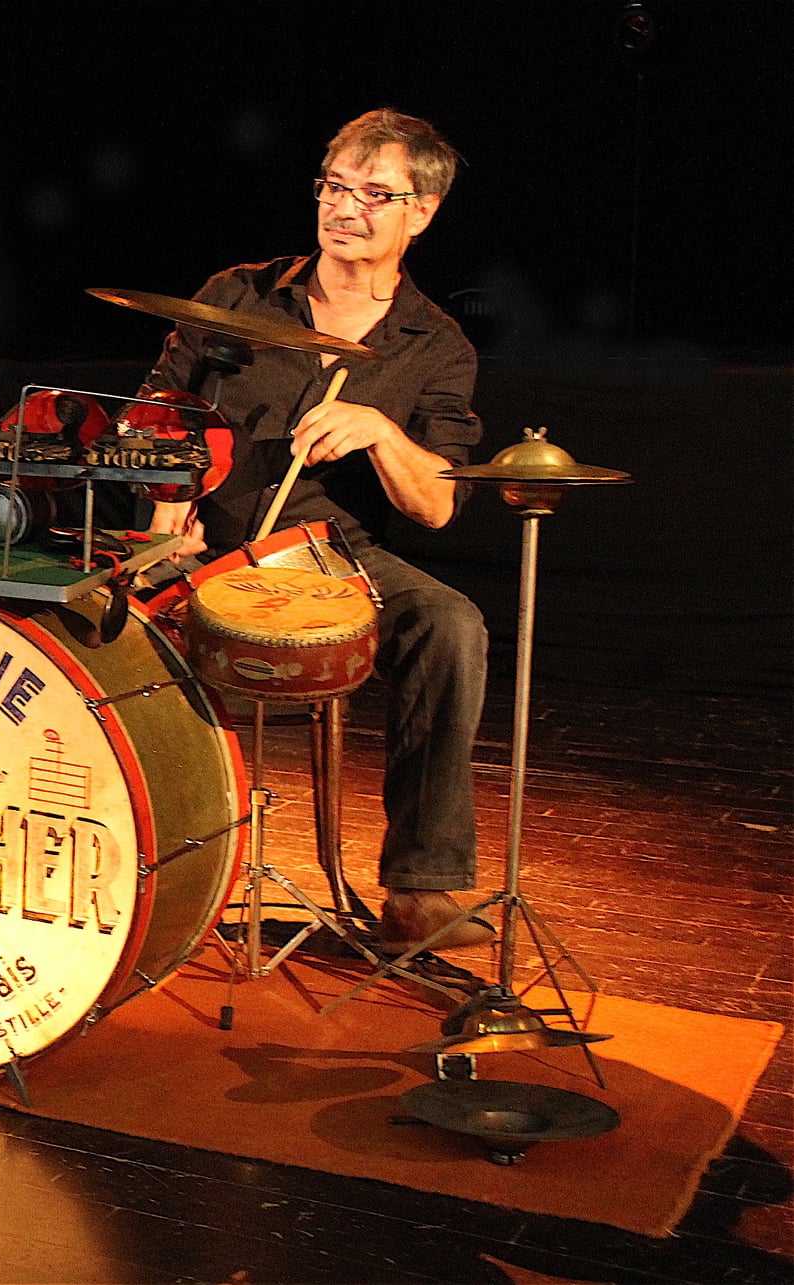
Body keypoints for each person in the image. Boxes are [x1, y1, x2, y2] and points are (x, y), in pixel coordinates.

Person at [142, 109, 493, 954]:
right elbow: (156, 412)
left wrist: (381, 430)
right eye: (336, 186)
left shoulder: (436, 345)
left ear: (423, 212)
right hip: (202, 540)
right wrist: (164, 503)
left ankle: (419, 886)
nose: (346, 207)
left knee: (452, 623)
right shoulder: (239, 294)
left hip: (330, 558)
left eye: (377, 193)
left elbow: (436, 505)